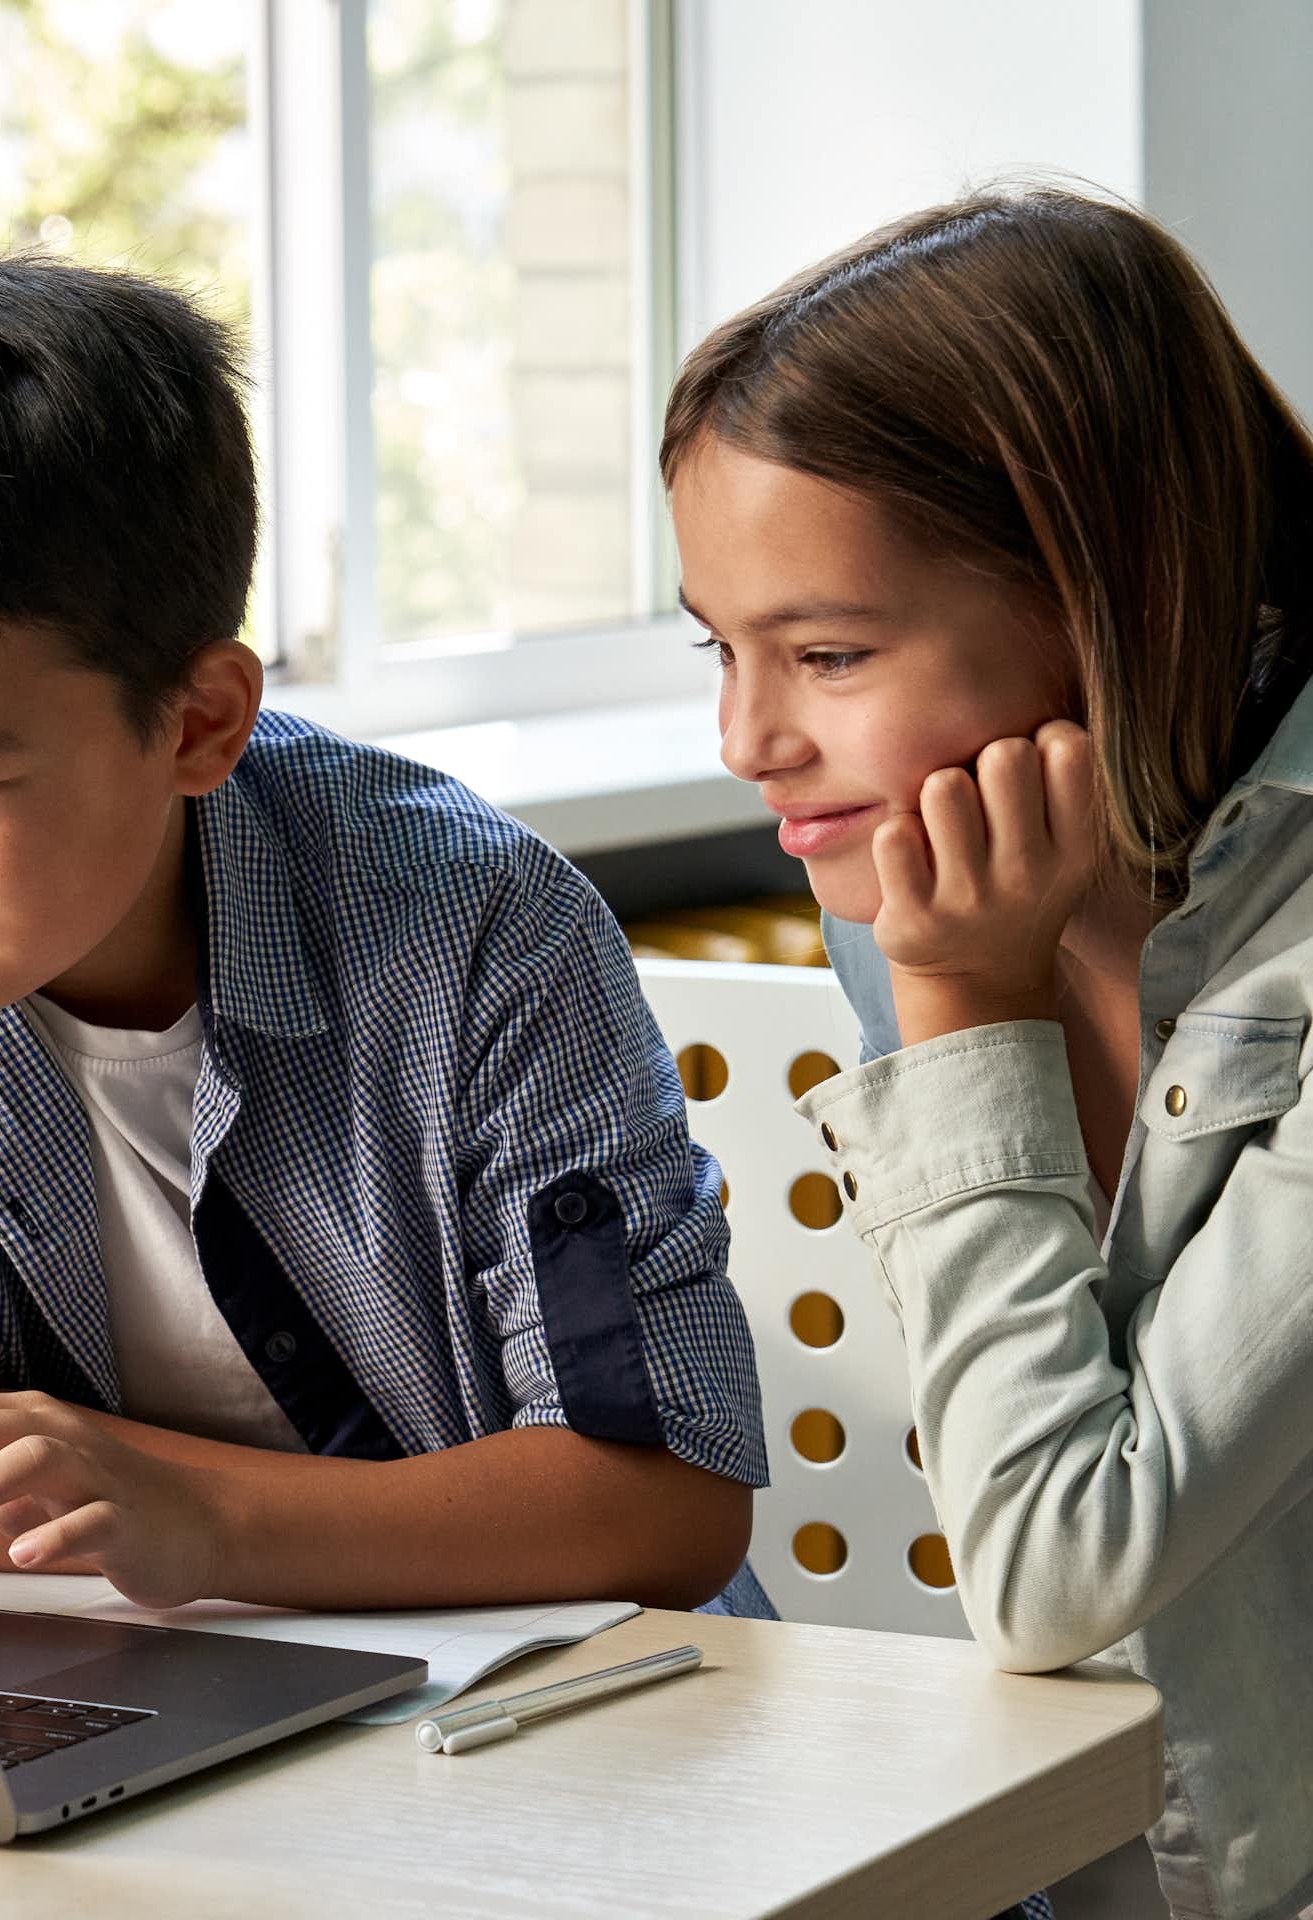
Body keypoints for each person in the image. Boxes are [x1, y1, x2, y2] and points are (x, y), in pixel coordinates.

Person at [0, 256, 769, 1618]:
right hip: (114, 1668)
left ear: (201, 724)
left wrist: (198, 1518)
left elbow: (665, 1500)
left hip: (548, 1682)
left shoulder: (477, 921)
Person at [664, 186, 1313, 1919]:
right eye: (719, 649)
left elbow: (1058, 1566)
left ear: (1115, 597)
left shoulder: (940, 938)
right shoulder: (927, 890)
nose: (746, 738)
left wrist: (962, 1004)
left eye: (827, 654)